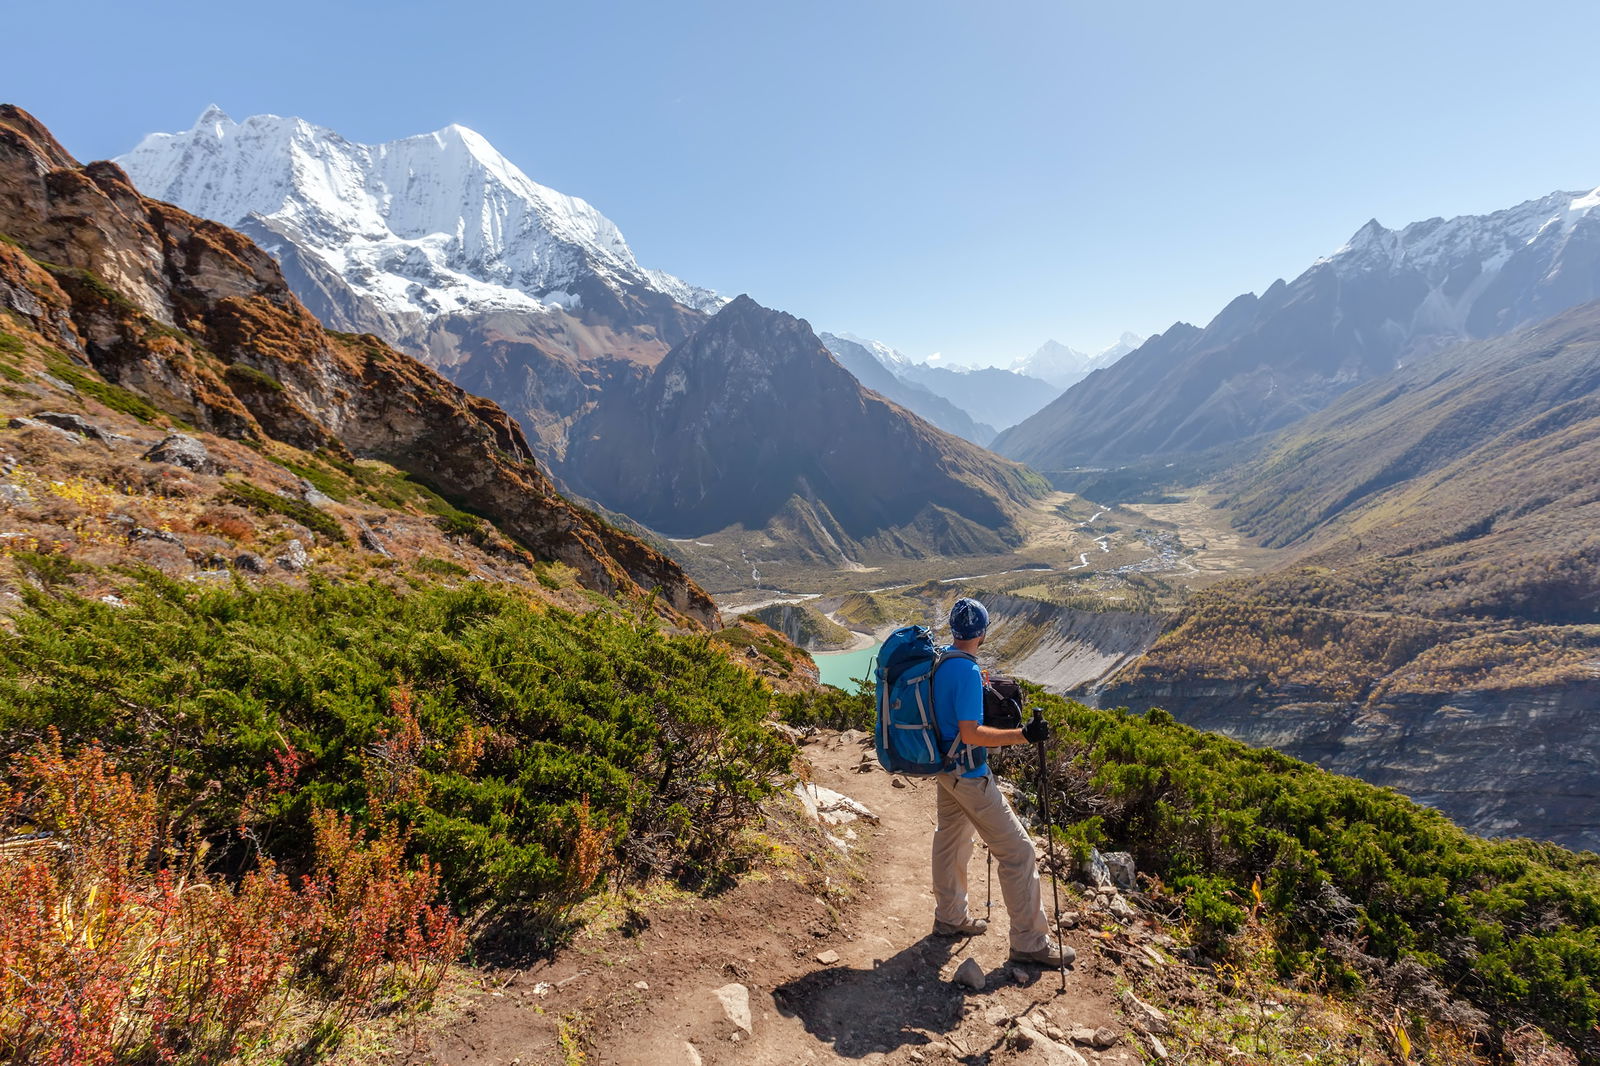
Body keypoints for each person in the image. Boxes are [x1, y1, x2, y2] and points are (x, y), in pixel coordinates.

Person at [929, 597, 1073, 968]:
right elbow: (972, 733)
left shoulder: (942, 659)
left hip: (944, 768)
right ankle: (1029, 942)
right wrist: (1023, 735)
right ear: (983, 632)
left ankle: (949, 917)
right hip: (968, 774)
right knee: (1019, 852)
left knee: (951, 838)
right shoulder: (965, 671)